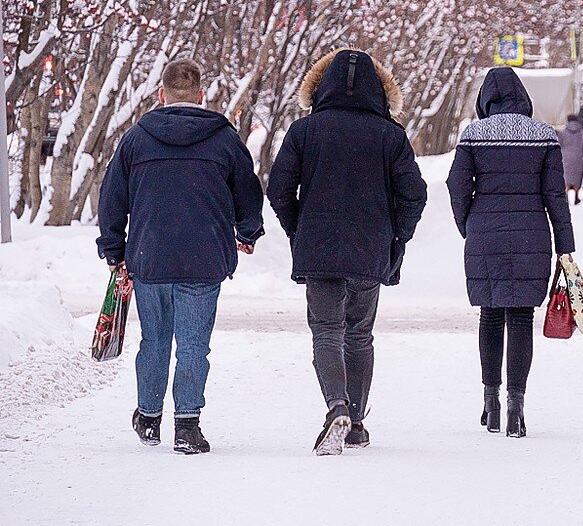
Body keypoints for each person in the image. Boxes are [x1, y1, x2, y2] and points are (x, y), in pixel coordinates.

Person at [97, 58, 264, 455]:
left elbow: (112, 197)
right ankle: (187, 426)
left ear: (161, 95)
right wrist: (247, 232)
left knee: (154, 340)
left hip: (149, 254)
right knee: (193, 344)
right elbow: (248, 191)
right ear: (202, 95)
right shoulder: (224, 139)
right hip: (204, 257)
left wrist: (113, 249)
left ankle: (149, 417)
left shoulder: (137, 139)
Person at [267, 49, 427, 456]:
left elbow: (279, 188)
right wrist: (397, 238)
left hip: (319, 245)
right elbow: (414, 193)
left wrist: (296, 228)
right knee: (358, 335)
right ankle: (355, 424)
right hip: (370, 247)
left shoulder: (305, 131)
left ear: (319, 88)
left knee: (326, 330)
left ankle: (335, 406)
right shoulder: (390, 135)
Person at [446, 67, 575, 438]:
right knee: (520, 319)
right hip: (531, 236)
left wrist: (468, 222)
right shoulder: (543, 136)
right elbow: (556, 196)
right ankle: (517, 409)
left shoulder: (474, 135)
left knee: (490, 316)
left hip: (484, 233)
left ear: (485, 98)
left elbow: (457, 186)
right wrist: (565, 245)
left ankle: (491, 404)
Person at [556, 114, 583, 205]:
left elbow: (558, 145)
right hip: (579, 158)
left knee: (566, 177)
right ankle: (576, 196)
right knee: (577, 178)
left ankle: (565, 194)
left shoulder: (562, 133)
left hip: (565, 158)